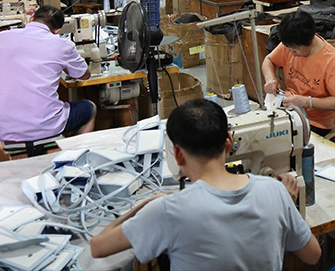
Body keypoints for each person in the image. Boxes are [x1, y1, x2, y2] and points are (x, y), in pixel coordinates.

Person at [90, 99, 320, 270]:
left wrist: (146, 204)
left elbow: (97, 247)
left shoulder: (167, 211)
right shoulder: (275, 192)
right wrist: (284, 204)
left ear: (178, 155)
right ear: (229, 141)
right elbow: (313, 255)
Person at [0, 5, 96, 143]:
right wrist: (66, 65)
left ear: (31, 19)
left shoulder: (1, 38)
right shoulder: (62, 45)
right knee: (89, 108)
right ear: (57, 30)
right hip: (45, 127)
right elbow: (84, 75)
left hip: (5, 128)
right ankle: (75, 153)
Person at [261, 12, 335, 136]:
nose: (291, 53)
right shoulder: (291, 43)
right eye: (288, 48)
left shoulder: (331, 60)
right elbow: (269, 61)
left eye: (295, 49)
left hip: (315, 122)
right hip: (288, 108)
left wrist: (308, 102)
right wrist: (270, 79)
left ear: (311, 40)